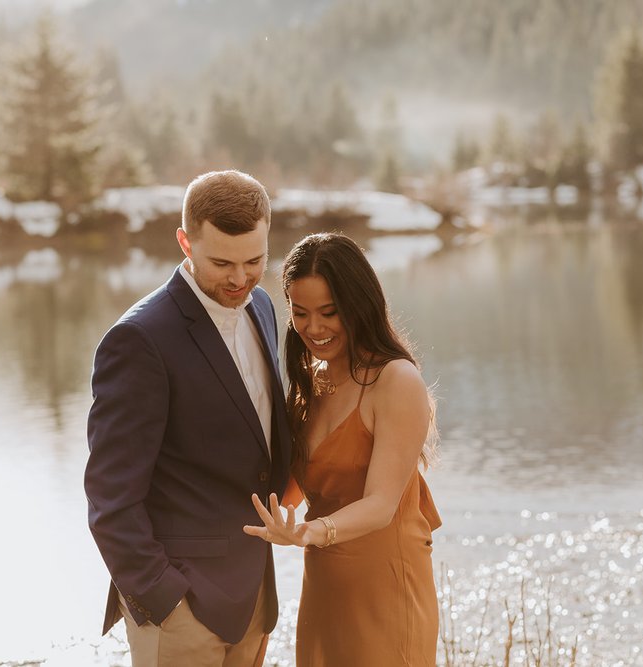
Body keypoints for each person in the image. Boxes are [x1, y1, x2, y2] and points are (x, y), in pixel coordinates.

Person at [85, 170, 292, 666]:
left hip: (253, 595)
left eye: (255, 260)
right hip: (180, 608)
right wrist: (164, 598)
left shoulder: (261, 306)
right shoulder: (139, 340)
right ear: (184, 242)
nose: (240, 279)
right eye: (221, 262)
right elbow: (110, 497)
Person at [243, 232, 442, 666]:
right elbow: (292, 492)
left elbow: (380, 504)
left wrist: (311, 532)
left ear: (359, 305)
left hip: (385, 585)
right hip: (326, 582)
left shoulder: (396, 380)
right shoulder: (313, 382)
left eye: (329, 313)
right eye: (300, 313)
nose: (313, 328)